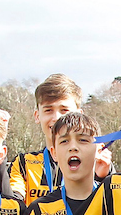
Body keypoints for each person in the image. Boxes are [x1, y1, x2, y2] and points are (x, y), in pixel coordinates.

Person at [6, 75, 112, 203]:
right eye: (48, 110)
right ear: (37, 115)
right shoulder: (23, 164)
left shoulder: (96, 162)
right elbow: (12, 204)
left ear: (79, 115)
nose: (56, 117)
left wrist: (101, 178)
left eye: (64, 110)